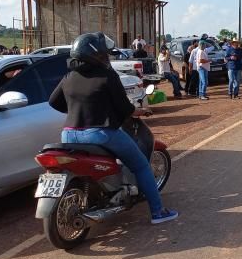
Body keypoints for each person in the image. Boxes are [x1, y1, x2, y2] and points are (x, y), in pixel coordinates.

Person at [49, 32, 178, 225]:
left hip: (69, 134)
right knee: (141, 164)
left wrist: (78, 109)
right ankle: (158, 212)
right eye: (104, 54)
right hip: (99, 134)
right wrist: (141, 111)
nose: (107, 57)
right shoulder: (107, 75)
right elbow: (125, 109)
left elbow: (54, 102)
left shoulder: (70, 76)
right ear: (96, 55)